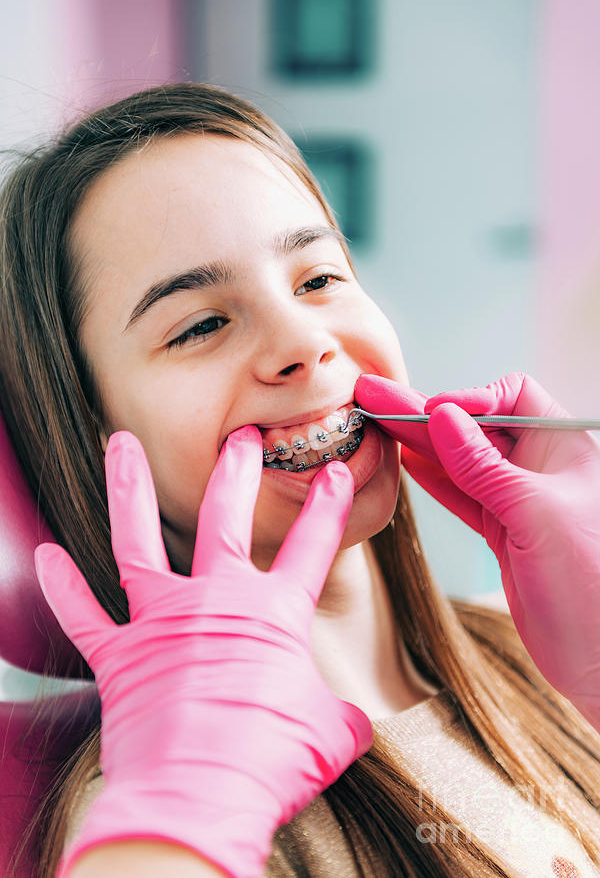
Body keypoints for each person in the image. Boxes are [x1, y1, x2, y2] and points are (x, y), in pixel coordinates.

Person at [0, 83, 599, 878]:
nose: (305, 339)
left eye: (318, 279)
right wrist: (189, 806)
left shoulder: (554, 659)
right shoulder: (167, 819)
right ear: (91, 433)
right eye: (201, 324)